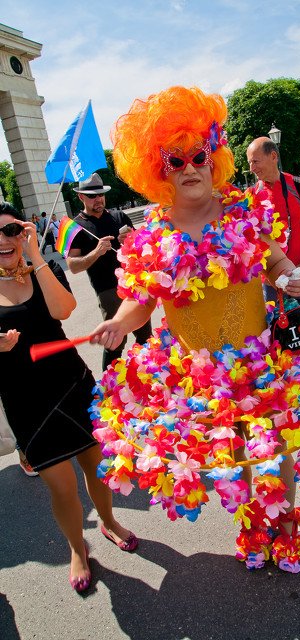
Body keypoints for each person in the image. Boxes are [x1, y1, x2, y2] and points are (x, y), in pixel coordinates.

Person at [88, 86, 300, 574]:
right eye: (175, 160)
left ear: (212, 157)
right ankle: (252, 521)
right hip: (198, 375)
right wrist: (117, 322)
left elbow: (275, 262)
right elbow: (140, 301)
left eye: (199, 156)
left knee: (276, 446)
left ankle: (284, 524)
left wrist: (291, 276)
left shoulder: (241, 209)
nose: (190, 168)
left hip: (261, 362)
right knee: (234, 451)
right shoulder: (152, 234)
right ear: (157, 170)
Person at [0, 202, 137, 593]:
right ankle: (78, 547)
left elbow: (64, 309)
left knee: (97, 466)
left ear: (23, 232)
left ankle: (109, 522)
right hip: (25, 400)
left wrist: (34, 256)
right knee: (61, 487)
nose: (3, 240)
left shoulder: (44, 268)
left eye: (11, 230)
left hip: (71, 384)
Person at [66, 173, 152, 370]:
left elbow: (141, 246)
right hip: (107, 290)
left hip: (132, 284)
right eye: (92, 196)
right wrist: (96, 253)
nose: (98, 199)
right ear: (80, 196)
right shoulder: (76, 227)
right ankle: (109, 381)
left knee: (145, 336)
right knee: (115, 341)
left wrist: (131, 240)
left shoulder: (118, 216)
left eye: (101, 194)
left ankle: (148, 374)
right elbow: (73, 266)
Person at [246, 137, 300, 296]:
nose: (251, 168)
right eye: (250, 163)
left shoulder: (299, 186)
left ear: (273, 156)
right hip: (272, 281)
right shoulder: (251, 195)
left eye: (255, 162)